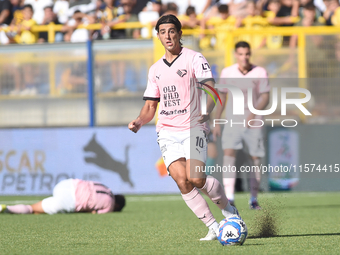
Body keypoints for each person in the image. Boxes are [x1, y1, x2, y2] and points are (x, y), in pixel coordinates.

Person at [128, 14, 239, 241]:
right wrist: (139, 121)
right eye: (162, 32)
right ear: (158, 36)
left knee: (197, 178)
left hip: (193, 126)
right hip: (167, 131)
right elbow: (150, 106)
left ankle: (230, 212)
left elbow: (211, 88)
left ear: (179, 33)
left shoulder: (194, 58)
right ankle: (213, 227)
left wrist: (205, 111)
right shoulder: (155, 69)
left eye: (171, 31)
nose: (167, 36)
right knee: (182, 180)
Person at [213, 41, 270, 210]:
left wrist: (252, 114)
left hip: (254, 122)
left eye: (247, 54)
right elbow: (222, 97)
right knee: (229, 156)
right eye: (241, 54)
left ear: (250, 54)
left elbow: (265, 97)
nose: (244, 57)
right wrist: (216, 120)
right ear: (235, 55)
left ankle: (253, 198)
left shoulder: (259, 72)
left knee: (255, 159)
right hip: (233, 121)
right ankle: (229, 197)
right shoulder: (227, 72)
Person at [0, 179, 126, 214]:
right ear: (118, 206)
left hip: (67, 184)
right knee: (33, 209)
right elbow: (94, 213)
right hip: (70, 201)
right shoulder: (110, 205)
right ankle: (6, 208)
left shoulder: (105, 187)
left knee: (38, 211)